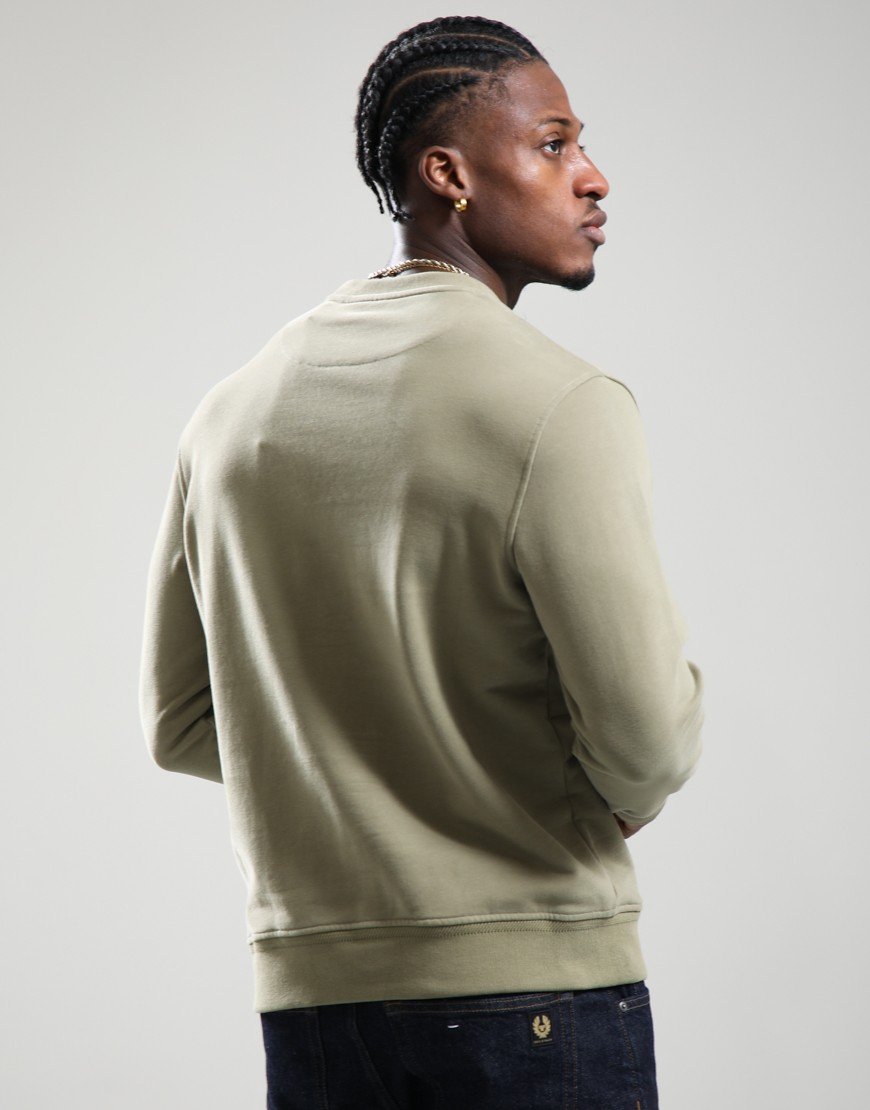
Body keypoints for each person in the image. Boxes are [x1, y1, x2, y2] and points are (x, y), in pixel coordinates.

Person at [138, 14, 705, 1109]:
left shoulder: (231, 417)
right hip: (538, 996)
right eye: (553, 143)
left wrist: (355, 770)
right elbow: (646, 739)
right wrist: (553, 785)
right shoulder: (559, 404)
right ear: (447, 175)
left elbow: (183, 724)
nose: (593, 176)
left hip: (317, 1004)